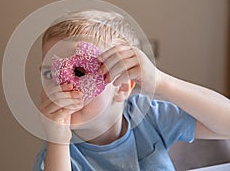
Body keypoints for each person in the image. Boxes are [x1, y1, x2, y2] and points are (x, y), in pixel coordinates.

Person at [33, 10, 230, 171]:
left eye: (79, 72)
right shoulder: (55, 158)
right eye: (50, 74)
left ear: (123, 87)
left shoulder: (148, 117)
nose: (62, 86)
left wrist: (162, 83)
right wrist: (57, 141)